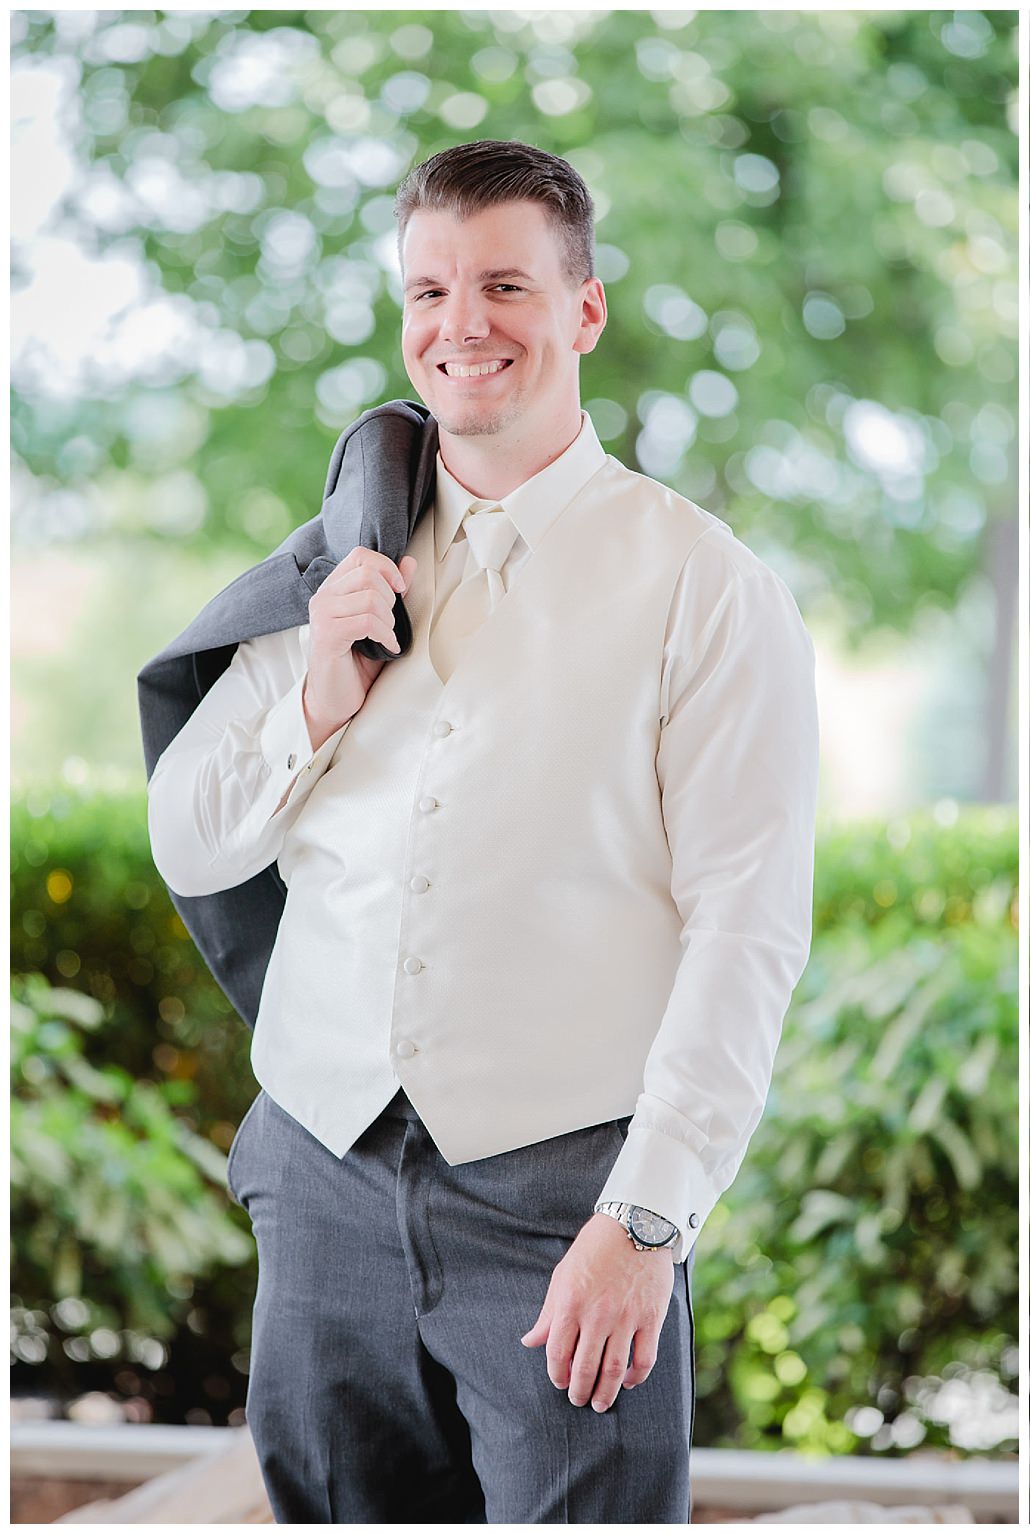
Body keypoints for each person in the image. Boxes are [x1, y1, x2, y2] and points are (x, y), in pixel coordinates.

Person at [146, 139, 818, 1522]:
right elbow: (190, 842)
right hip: (323, 1170)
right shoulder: (342, 558)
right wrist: (317, 697)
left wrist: (647, 1221)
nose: (461, 325)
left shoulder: (706, 586)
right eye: (429, 290)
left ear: (585, 309)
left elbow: (746, 928)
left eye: (504, 284)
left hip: (568, 1196)